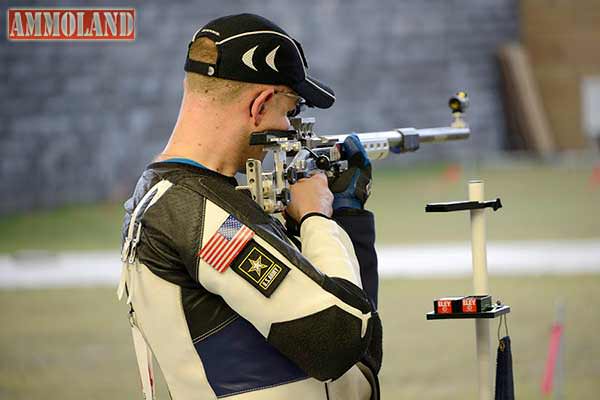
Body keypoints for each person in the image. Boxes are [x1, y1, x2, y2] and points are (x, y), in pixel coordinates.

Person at [118, 13, 381, 400]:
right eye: (290, 111)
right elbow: (338, 337)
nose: (291, 129)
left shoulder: (181, 199)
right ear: (259, 107)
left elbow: (358, 344)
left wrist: (348, 222)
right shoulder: (202, 215)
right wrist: (316, 219)